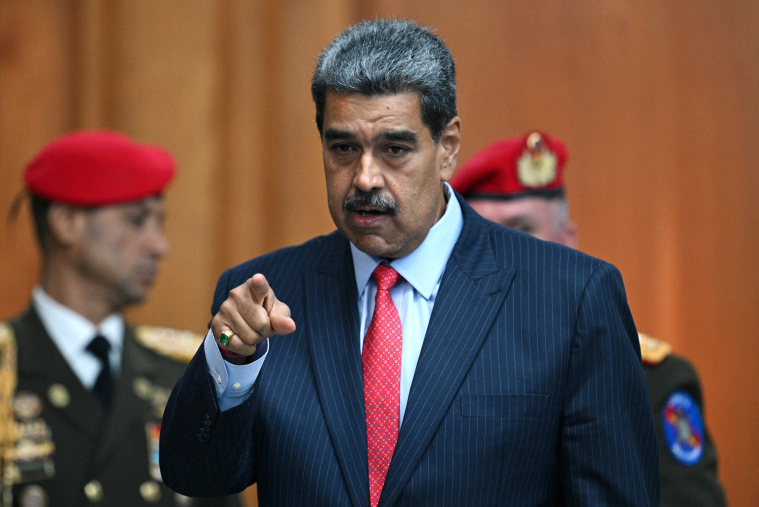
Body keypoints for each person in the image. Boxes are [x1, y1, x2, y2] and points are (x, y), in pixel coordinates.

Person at [159, 19, 660, 506]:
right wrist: (232, 363)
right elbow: (196, 475)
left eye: (395, 148)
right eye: (342, 148)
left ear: (447, 148)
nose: (365, 178)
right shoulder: (266, 296)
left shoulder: (570, 297)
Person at [449, 130, 727, 507]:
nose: (504, 255)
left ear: (567, 242)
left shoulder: (651, 379)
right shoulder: (438, 374)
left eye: (522, 231)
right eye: (486, 237)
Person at [0, 131, 243, 507]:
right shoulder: (6, 371)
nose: (160, 246)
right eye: (136, 221)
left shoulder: (185, 376)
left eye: (158, 223)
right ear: (65, 222)